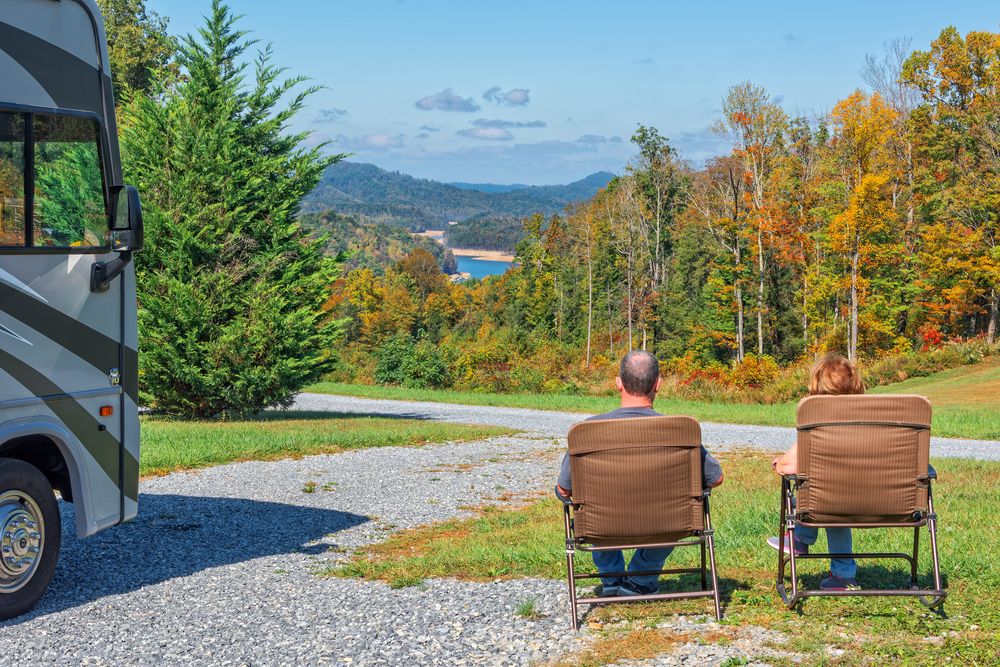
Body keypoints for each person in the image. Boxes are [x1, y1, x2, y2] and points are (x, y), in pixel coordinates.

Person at [556, 350, 724, 597]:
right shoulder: (681, 430)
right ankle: (642, 578)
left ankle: (612, 579)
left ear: (618, 383)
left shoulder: (587, 431)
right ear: (658, 384)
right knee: (681, 507)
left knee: (588, 502)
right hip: (667, 522)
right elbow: (716, 478)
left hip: (602, 524)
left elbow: (564, 489)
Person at [767, 353, 864, 591]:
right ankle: (843, 575)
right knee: (838, 499)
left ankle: (801, 538)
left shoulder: (820, 424)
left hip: (827, 502)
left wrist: (781, 461)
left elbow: (787, 468)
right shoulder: (875, 421)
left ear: (816, 389)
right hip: (883, 504)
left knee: (823, 496)